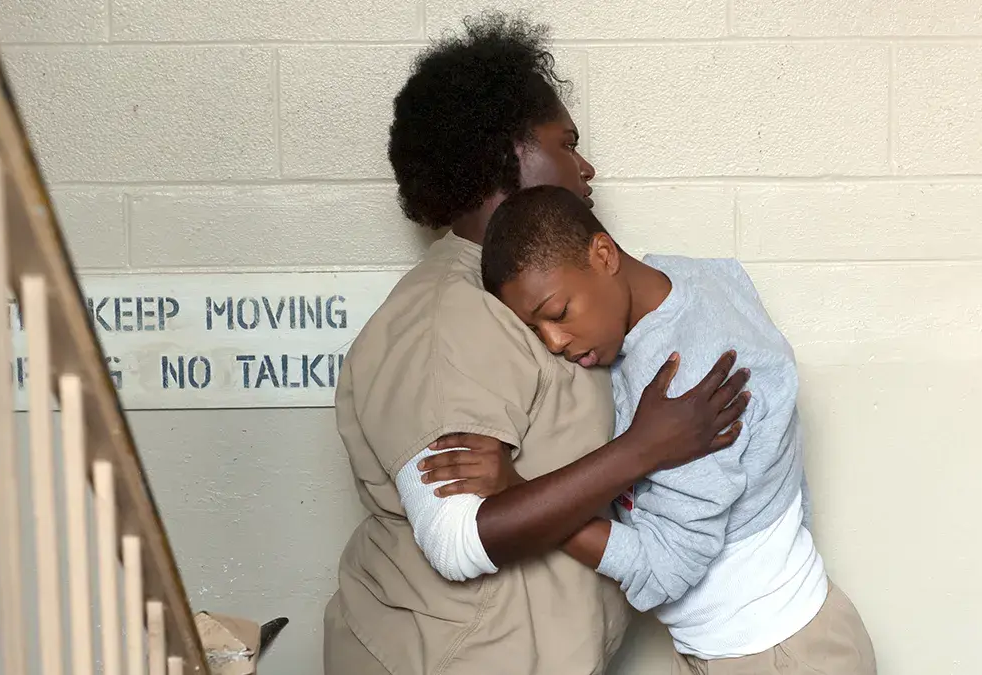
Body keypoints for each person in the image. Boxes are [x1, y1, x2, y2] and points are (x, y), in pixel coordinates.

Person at [322, 13, 751, 675]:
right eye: (566, 142)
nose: (586, 167)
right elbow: (459, 538)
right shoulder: (445, 315)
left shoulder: (511, 296)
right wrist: (644, 448)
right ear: (508, 151)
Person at [464, 184, 877, 675]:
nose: (554, 341)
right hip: (741, 640)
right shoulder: (690, 277)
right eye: (534, 331)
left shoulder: (690, 384)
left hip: (778, 651)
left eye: (557, 314)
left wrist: (523, 498)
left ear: (603, 255)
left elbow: (665, 569)